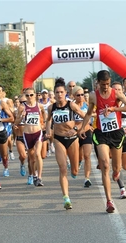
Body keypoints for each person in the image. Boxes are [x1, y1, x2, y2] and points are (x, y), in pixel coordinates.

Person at [78, 70, 126, 213]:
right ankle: (109, 201)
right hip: (101, 133)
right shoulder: (93, 96)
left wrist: (114, 108)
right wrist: (82, 128)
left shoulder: (116, 93)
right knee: (104, 164)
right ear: (97, 83)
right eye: (103, 84)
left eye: (108, 84)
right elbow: (89, 113)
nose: (105, 87)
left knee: (116, 168)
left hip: (116, 132)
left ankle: (117, 173)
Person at [45, 80, 86, 209]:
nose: (59, 95)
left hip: (73, 138)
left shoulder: (71, 105)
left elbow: (86, 117)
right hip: (58, 139)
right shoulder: (51, 107)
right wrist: (47, 131)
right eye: (57, 92)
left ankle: (74, 168)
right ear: (54, 94)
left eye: (61, 92)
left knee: (74, 170)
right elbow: (48, 120)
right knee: (62, 168)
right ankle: (66, 198)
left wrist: (76, 129)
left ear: (65, 93)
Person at [14, 87, 46, 186]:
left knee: (37, 154)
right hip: (27, 134)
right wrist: (21, 117)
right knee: (31, 158)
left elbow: (44, 113)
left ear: (35, 95)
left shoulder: (39, 106)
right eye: (27, 95)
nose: (29, 97)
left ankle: (39, 177)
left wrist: (43, 123)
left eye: (31, 95)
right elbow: (16, 123)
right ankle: (34, 175)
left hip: (37, 132)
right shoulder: (22, 107)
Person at [72, 85, 94, 188]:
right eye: (78, 95)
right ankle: (78, 162)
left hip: (86, 132)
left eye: (82, 94)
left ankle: (87, 178)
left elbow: (90, 118)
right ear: (74, 96)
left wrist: (91, 126)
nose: (81, 96)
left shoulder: (87, 105)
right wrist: (76, 128)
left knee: (87, 155)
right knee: (78, 157)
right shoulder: (72, 106)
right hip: (76, 134)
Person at [13, 95, 28, 177]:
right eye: (21, 102)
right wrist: (14, 125)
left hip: (29, 135)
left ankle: (32, 175)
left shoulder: (33, 110)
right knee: (23, 156)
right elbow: (14, 122)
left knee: (32, 158)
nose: (23, 104)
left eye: (24, 102)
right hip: (20, 136)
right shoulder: (16, 112)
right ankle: (22, 164)